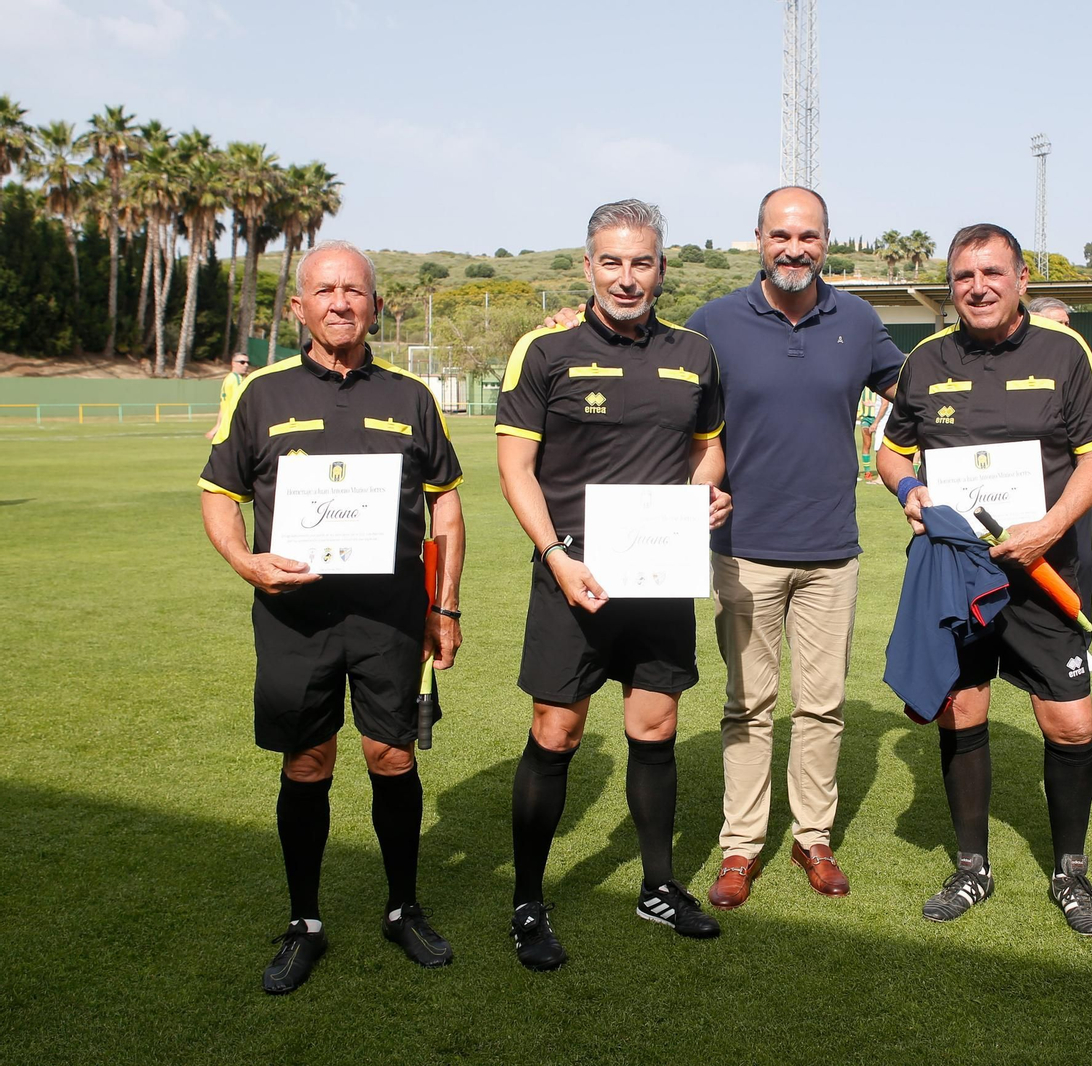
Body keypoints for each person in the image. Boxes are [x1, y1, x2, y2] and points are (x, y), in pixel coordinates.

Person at [198, 240, 466, 994]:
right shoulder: (261, 396)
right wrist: (246, 562)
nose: (341, 302)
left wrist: (444, 604)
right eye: (325, 290)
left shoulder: (412, 395)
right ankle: (305, 921)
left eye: (355, 290)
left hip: (390, 617)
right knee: (308, 761)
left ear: (376, 304)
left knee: (393, 757)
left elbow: (445, 501)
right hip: (295, 617)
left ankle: (402, 907)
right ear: (299, 307)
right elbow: (219, 493)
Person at [495, 199, 732, 971]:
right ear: (588, 266)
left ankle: (657, 887)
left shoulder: (695, 353)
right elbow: (515, 469)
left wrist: (707, 496)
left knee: (655, 728)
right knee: (557, 732)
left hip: (660, 575)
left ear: (661, 269)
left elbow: (707, 453)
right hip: (574, 572)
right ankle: (529, 900)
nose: (626, 278)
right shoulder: (546, 349)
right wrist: (557, 554)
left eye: (641, 263)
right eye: (611, 262)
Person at [877, 222, 1092, 934]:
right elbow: (892, 455)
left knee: (1070, 722)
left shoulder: (1061, 350)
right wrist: (909, 493)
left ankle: (1071, 873)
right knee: (963, 711)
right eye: (963, 277)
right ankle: (971, 867)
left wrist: (1049, 527)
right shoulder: (925, 359)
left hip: (1045, 571)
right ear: (950, 286)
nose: (977, 288)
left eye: (991, 273)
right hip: (959, 575)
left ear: (1020, 282)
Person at [686, 186, 904, 909]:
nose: (794, 248)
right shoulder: (713, 322)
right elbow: (666, 405)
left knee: (823, 706)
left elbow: (921, 390)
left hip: (831, 550)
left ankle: (813, 836)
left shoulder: (860, 318)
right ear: (757, 239)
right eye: (781, 235)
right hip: (742, 547)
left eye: (808, 236)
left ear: (827, 240)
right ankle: (741, 846)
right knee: (747, 706)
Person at [1028, 296, 1092, 672]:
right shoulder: (1025, 365)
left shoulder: (1075, 362)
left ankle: (1081, 641)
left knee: (1083, 561)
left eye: (1067, 323)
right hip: (1029, 487)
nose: (1065, 331)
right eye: (1055, 323)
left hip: (1074, 486)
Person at [206, 352, 252, 440]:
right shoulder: (236, 380)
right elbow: (239, 403)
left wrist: (218, 426)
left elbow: (223, 405)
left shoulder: (228, 378)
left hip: (228, 424)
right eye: (242, 362)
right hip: (235, 424)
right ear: (233, 363)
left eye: (247, 363)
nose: (246, 365)